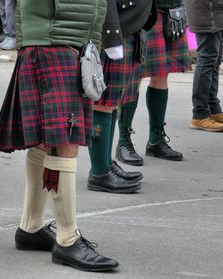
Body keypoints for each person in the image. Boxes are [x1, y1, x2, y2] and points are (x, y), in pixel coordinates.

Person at [0, 0, 119, 272]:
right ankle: (68, 239)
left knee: (49, 140)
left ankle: (31, 225)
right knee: (64, 140)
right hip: (52, 36)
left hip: (70, 36)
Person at [87, 0, 157, 192]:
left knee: (113, 102)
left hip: (127, 27)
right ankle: (99, 171)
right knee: (104, 102)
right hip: (115, 30)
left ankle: (106, 164)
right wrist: (112, 34)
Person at [115, 0, 192, 166]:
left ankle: (156, 140)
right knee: (135, 75)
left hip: (170, 10)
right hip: (141, 11)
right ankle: (123, 141)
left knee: (162, 74)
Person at [185, 0, 223, 132]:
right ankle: (200, 113)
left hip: (218, 11)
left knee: (214, 62)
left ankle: (213, 109)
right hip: (208, 11)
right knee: (207, 61)